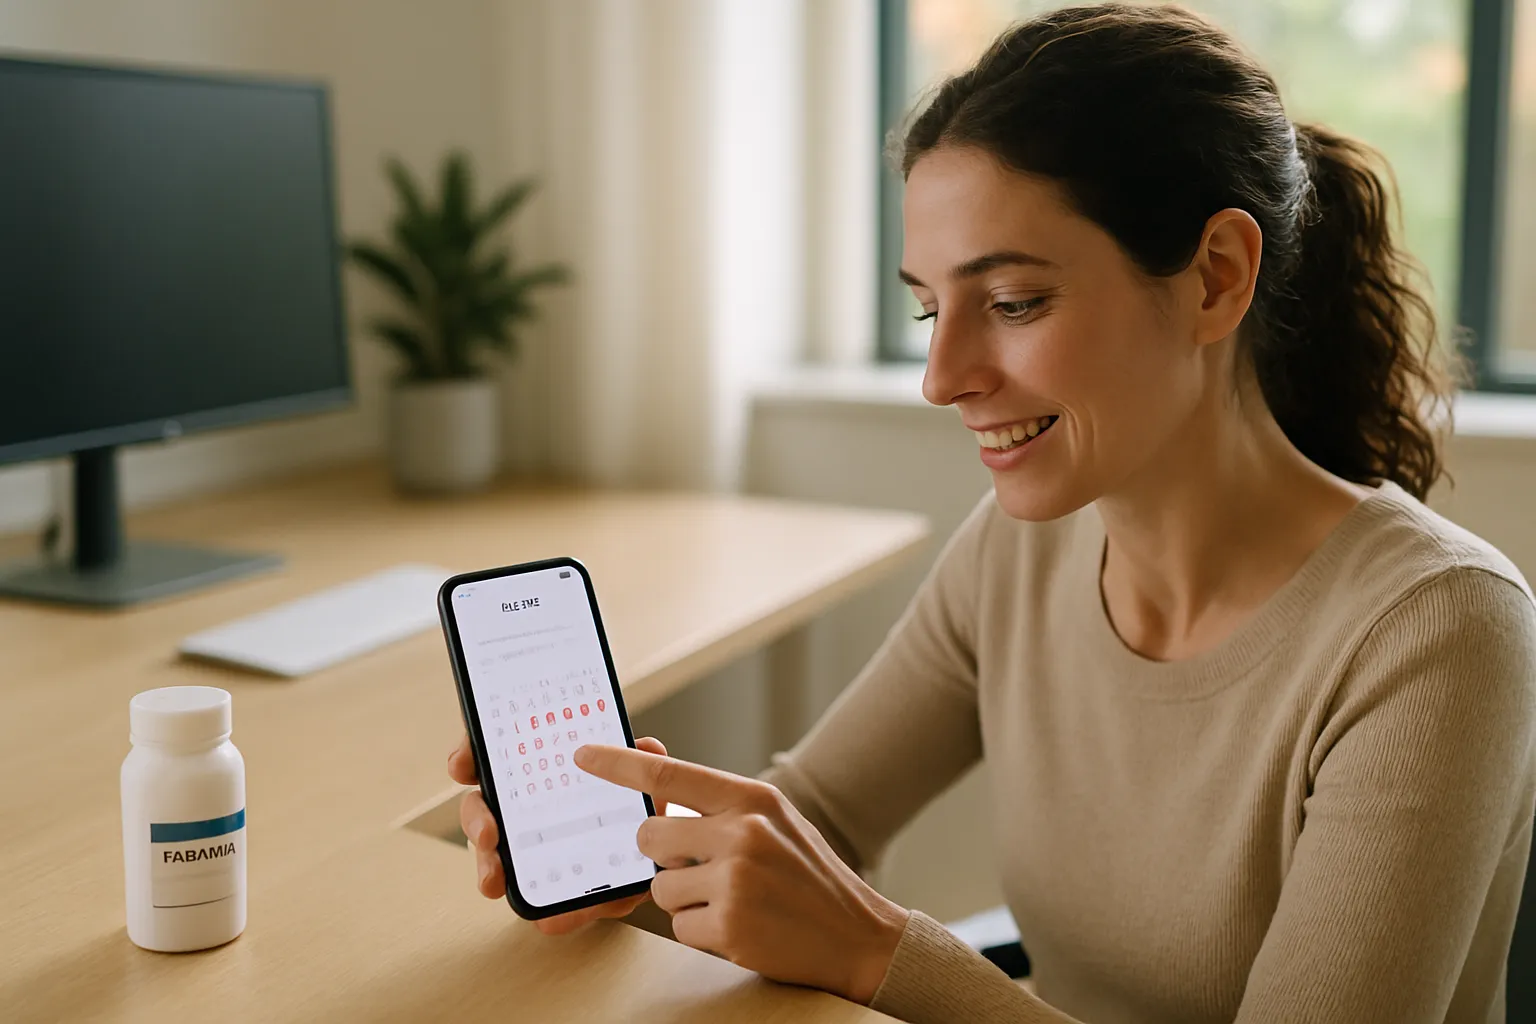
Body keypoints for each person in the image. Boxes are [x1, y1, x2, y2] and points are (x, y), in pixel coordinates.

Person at [448, 4, 1536, 1021]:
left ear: (1215, 276)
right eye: (929, 308)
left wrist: (886, 954)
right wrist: (621, 864)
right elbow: (814, 819)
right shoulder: (1022, 550)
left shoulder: (1438, 632)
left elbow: (862, 929)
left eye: (1013, 302)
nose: (943, 375)